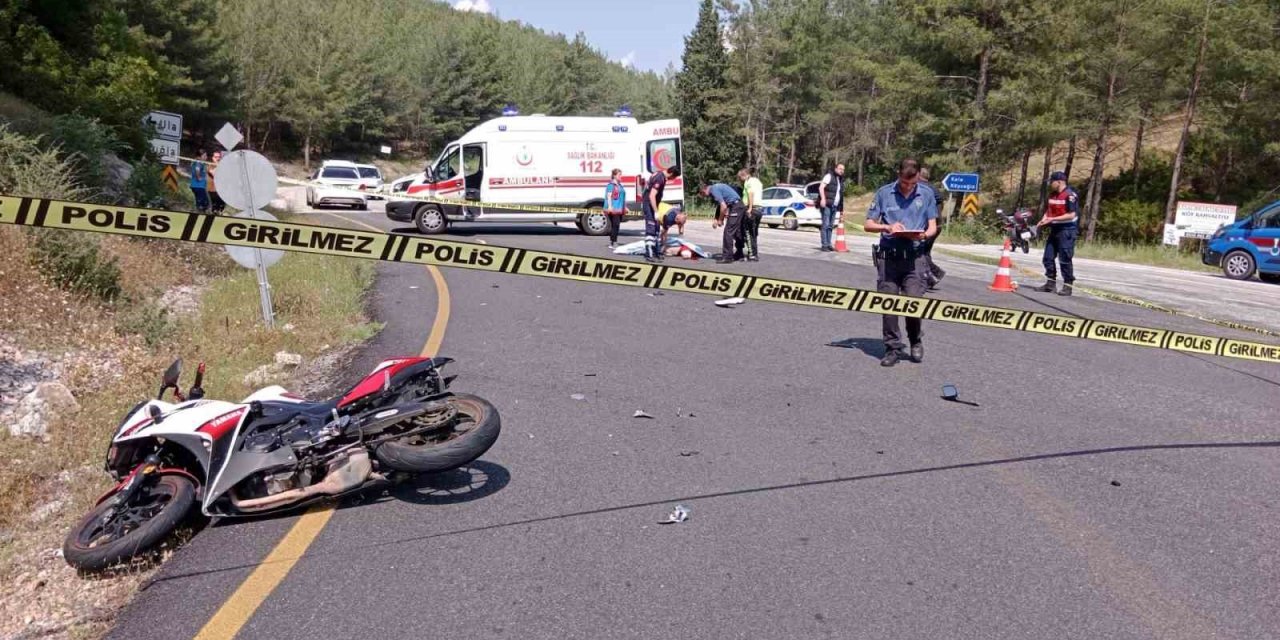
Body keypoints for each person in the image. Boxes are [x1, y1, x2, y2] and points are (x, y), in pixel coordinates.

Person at [863, 158, 939, 367]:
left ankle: (915, 340)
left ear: (917, 178)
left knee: (913, 303)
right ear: (898, 175)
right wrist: (886, 228)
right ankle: (892, 348)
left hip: (914, 259)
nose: (908, 187)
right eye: (905, 183)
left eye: (912, 183)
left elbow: (933, 226)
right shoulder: (884, 193)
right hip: (889, 257)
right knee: (889, 306)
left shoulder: (926, 193)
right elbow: (868, 224)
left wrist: (923, 236)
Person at [1036, 171, 1079, 296]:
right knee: (1048, 258)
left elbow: (1071, 214)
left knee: (1065, 259)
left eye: (1052, 182)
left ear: (1059, 182)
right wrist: (1044, 219)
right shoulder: (1053, 195)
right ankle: (1050, 284)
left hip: (1067, 231)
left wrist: (1053, 219)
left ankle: (1068, 285)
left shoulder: (1070, 195)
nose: (1050, 184)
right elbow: (1049, 211)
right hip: (1054, 230)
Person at [701, 181, 746, 264]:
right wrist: (716, 218)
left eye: (703, 195)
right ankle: (739, 254)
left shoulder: (713, 189)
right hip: (738, 206)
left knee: (728, 232)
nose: (706, 197)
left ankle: (727, 257)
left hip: (736, 207)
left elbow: (723, 206)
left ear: (704, 190)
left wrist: (720, 220)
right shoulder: (717, 187)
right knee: (736, 231)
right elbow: (721, 205)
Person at [643, 166, 681, 262]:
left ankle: (656, 252)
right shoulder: (660, 178)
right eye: (674, 177)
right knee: (651, 229)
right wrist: (656, 211)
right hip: (649, 205)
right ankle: (649, 253)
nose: (673, 179)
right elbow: (652, 196)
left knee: (656, 229)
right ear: (672, 174)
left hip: (653, 205)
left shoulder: (659, 174)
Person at [916, 166, 947, 288]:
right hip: (938, 225)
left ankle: (934, 274)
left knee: (918, 251)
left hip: (928, 226)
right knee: (925, 252)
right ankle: (929, 279)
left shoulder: (921, 188)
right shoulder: (934, 189)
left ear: (918, 175)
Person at [818, 164, 845, 251]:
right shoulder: (829, 176)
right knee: (825, 225)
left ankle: (829, 244)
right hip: (827, 205)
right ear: (836, 168)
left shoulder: (840, 180)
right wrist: (822, 199)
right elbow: (821, 187)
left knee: (830, 226)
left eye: (843, 170)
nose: (841, 171)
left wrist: (841, 209)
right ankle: (824, 245)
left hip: (834, 206)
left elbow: (840, 195)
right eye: (840, 169)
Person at [739, 167, 763, 262]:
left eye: (740, 177)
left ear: (744, 175)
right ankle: (754, 253)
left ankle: (752, 255)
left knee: (748, 233)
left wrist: (749, 208)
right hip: (759, 209)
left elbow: (750, 194)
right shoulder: (757, 181)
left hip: (752, 209)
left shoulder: (748, 182)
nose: (740, 180)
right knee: (754, 233)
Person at [604, 168, 627, 249]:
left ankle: (612, 241)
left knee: (616, 225)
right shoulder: (611, 185)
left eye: (621, 175)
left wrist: (625, 207)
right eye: (619, 175)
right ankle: (614, 242)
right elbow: (609, 196)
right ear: (614, 175)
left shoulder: (620, 185)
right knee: (615, 225)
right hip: (614, 208)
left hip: (619, 208)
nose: (621, 176)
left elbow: (622, 197)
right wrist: (610, 207)